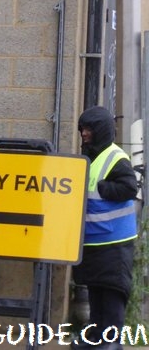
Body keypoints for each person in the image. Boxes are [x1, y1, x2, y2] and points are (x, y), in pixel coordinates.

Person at [71, 106, 138, 350]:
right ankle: (96, 339)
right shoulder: (91, 154)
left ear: (100, 130)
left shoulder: (115, 156)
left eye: (88, 129)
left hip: (114, 239)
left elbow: (129, 188)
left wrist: (103, 188)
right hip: (94, 239)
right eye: (82, 129)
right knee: (96, 291)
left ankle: (112, 342)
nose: (84, 134)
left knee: (112, 291)